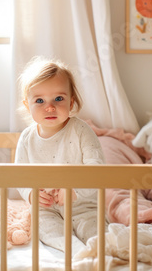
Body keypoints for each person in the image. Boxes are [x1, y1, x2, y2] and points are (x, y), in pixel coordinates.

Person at [15, 56, 106, 256]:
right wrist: (31, 194)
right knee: (43, 226)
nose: (50, 107)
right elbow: (19, 175)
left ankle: (99, 251)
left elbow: (97, 169)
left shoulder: (81, 131)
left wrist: (74, 190)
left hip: (83, 206)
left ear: (71, 101)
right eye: (39, 100)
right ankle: (75, 250)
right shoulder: (26, 138)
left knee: (95, 231)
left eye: (58, 99)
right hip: (46, 208)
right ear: (28, 105)